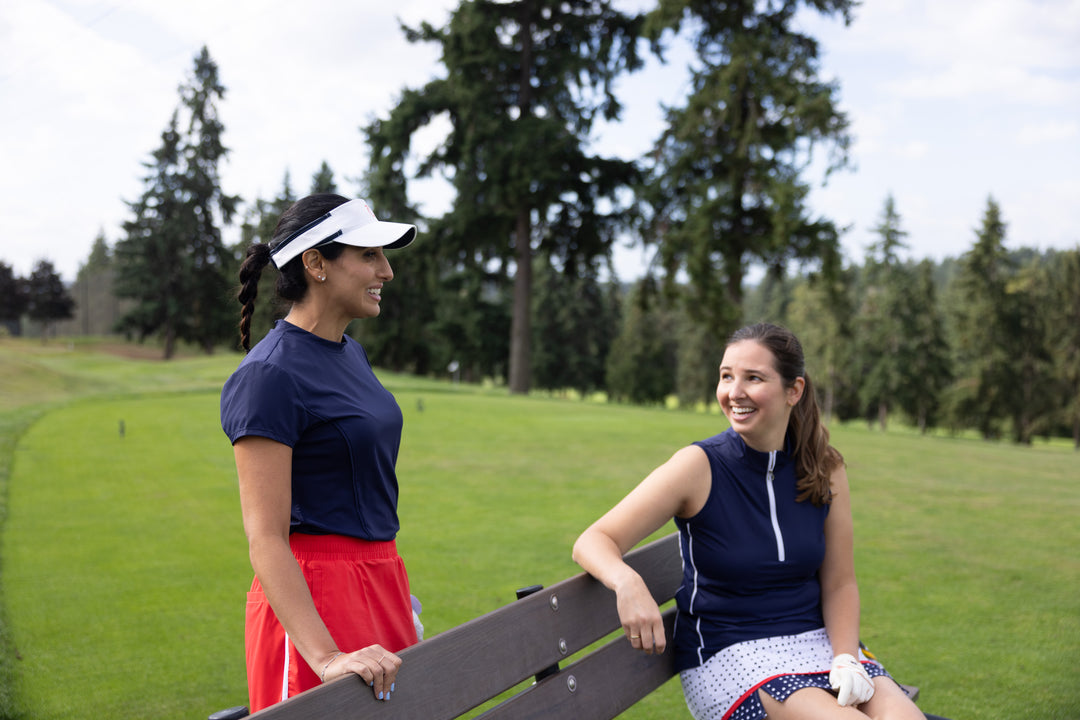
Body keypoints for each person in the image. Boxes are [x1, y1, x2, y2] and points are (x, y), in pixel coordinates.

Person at [572, 323, 925, 720]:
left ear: (794, 390)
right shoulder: (698, 466)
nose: (734, 392)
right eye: (726, 376)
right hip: (729, 653)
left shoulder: (825, 467)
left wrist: (845, 657)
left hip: (820, 644)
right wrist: (628, 582)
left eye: (753, 378)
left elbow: (840, 581)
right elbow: (593, 539)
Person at [220, 193, 420, 712]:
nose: (387, 271)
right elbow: (266, 538)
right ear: (315, 264)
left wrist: (390, 588)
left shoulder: (351, 352)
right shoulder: (268, 375)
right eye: (370, 255)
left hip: (381, 579)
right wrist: (327, 656)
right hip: (316, 605)